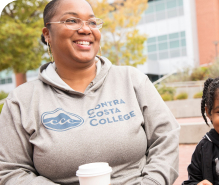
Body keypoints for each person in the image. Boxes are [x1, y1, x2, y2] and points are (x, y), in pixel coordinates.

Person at [0, 0, 180, 184]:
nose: (86, 29)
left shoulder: (132, 80)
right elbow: (11, 171)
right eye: (71, 21)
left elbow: (165, 137)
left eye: (92, 22)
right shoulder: (21, 101)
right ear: (47, 34)